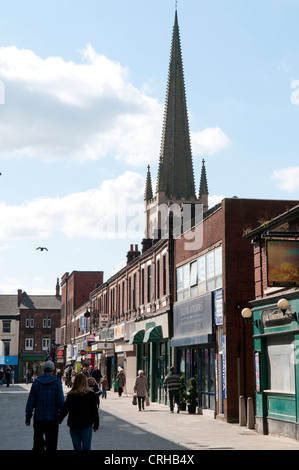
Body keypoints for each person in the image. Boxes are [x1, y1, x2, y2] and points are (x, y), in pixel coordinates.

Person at [25, 361, 65, 450]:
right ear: (53, 370)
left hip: (39, 418)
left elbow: (31, 401)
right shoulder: (57, 382)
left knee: (38, 444)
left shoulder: (36, 382)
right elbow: (61, 402)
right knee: (52, 445)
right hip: (52, 418)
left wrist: (28, 418)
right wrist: (60, 417)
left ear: (43, 370)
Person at [58, 373, 99, 450]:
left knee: (76, 447)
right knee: (87, 447)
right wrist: (96, 424)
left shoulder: (71, 395)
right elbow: (94, 410)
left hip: (74, 425)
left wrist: (60, 419)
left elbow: (65, 409)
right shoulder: (90, 394)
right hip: (86, 424)